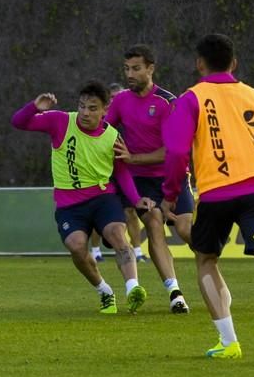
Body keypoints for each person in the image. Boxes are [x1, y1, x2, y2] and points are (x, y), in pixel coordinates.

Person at [160, 33, 254, 364]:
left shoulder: (191, 98)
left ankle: (229, 341)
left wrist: (169, 195)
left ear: (199, 63)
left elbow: (176, 152)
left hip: (215, 193)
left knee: (206, 260)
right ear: (234, 63)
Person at [11, 81, 154, 314]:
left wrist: (136, 198)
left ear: (106, 110)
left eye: (93, 108)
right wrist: (34, 107)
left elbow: (121, 171)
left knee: (118, 235)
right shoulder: (60, 121)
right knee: (76, 247)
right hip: (70, 205)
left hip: (103, 198)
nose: (85, 112)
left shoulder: (112, 135)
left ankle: (133, 289)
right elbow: (18, 122)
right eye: (82, 106)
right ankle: (104, 291)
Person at [107, 44, 193, 314]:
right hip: (140, 182)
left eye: (136, 68)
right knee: (154, 221)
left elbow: (172, 150)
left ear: (151, 69)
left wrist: (133, 158)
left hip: (172, 178)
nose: (129, 74)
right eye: (126, 69)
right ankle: (175, 292)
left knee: (185, 231)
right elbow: (103, 132)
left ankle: (210, 270)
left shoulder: (168, 101)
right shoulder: (120, 101)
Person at [90, 82, 146, 263]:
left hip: (125, 171)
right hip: (104, 173)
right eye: (113, 98)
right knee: (98, 212)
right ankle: (95, 250)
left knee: (131, 211)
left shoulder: (129, 121)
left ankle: (137, 251)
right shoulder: (101, 123)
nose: (117, 101)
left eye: (119, 97)